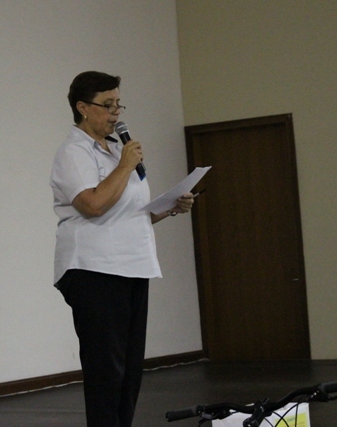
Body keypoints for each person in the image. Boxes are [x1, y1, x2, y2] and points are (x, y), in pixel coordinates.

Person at [49, 71, 195, 427]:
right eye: (107, 105)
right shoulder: (73, 152)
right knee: (105, 370)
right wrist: (126, 165)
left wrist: (171, 207)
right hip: (93, 269)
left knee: (129, 370)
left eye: (118, 104)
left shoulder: (116, 149)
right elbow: (92, 205)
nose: (116, 113)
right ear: (83, 107)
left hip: (133, 265)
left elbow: (131, 212)